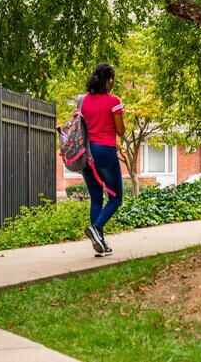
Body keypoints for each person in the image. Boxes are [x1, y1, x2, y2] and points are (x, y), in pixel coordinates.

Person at [81, 63, 125, 257]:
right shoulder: (113, 101)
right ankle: (97, 228)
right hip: (105, 152)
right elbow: (121, 131)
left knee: (96, 199)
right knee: (116, 198)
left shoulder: (83, 101)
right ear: (110, 80)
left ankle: (100, 245)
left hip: (86, 153)